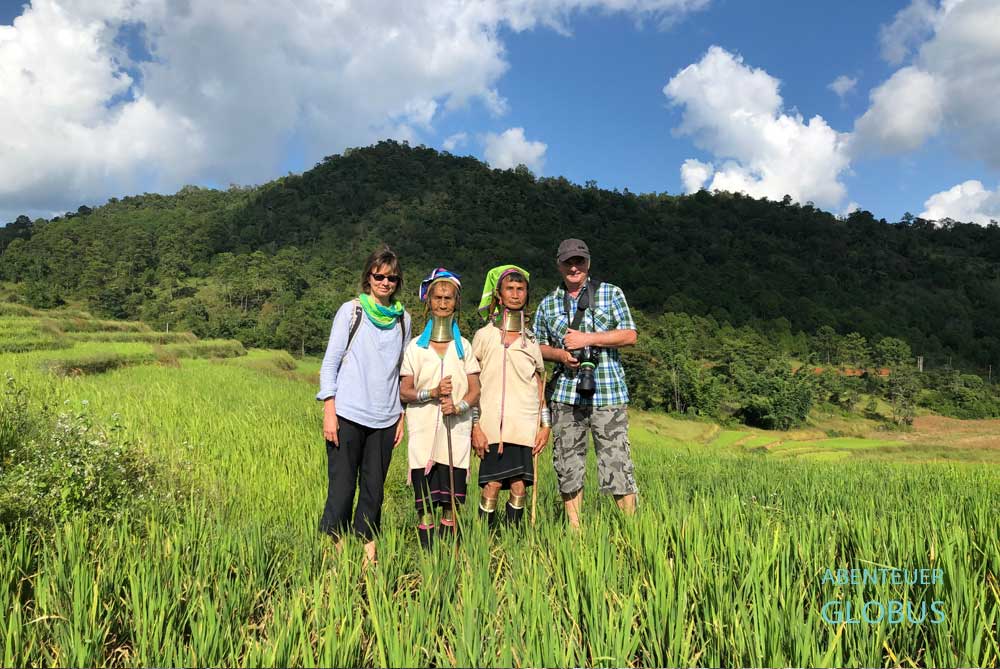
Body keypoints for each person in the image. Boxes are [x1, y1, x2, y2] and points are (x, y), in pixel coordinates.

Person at [533, 239, 638, 529]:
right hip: (566, 395)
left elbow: (630, 335)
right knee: (567, 464)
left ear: (588, 262)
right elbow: (536, 346)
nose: (574, 267)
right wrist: (561, 355)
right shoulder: (548, 303)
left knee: (616, 462)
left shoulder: (610, 293)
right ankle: (575, 531)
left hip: (608, 393)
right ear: (559, 265)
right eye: (568, 261)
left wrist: (588, 339)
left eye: (579, 260)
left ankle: (631, 529)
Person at [317, 245, 411, 566]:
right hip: (347, 415)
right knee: (342, 491)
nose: (385, 282)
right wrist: (329, 409)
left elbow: (402, 370)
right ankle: (334, 561)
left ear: (398, 282)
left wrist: (402, 415)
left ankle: (368, 561)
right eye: (379, 276)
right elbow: (330, 362)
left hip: (385, 420)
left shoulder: (403, 319)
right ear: (368, 277)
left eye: (392, 278)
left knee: (373, 493)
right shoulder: (351, 312)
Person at [399, 268, 481, 549]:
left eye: (448, 298)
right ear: (428, 301)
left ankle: (451, 557)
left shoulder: (465, 348)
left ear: (456, 303)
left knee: (451, 504)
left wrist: (458, 406)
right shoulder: (414, 349)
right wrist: (432, 393)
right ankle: (427, 555)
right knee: (425, 506)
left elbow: (475, 390)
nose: (443, 303)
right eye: (438, 297)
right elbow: (404, 391)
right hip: (423, 433)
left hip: (456, 434)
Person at [471, 265, 550, 528]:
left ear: (527, 294)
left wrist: (545, 425)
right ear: (499, 295)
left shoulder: (530, 340)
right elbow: (472, 384)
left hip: (524, 426)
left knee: (519, 487)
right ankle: (483, 541)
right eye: (510, 289)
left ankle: (513, 540)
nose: (516, 295)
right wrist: (475, 426)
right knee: (491, 485)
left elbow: (540, 384)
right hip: (491, 426)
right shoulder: (484, 337)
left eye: (521, 289)